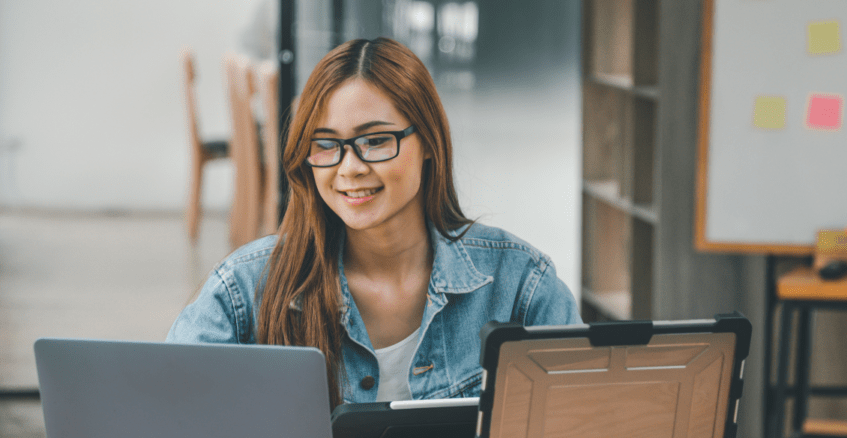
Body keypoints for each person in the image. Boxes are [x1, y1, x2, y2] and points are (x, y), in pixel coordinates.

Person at [167, 37, 580, 409]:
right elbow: (165, 416)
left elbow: (588, 418)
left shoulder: (518, 284)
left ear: (429, 144)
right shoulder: (245, 289)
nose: (350, 167)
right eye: (325, 145)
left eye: (376, 141)